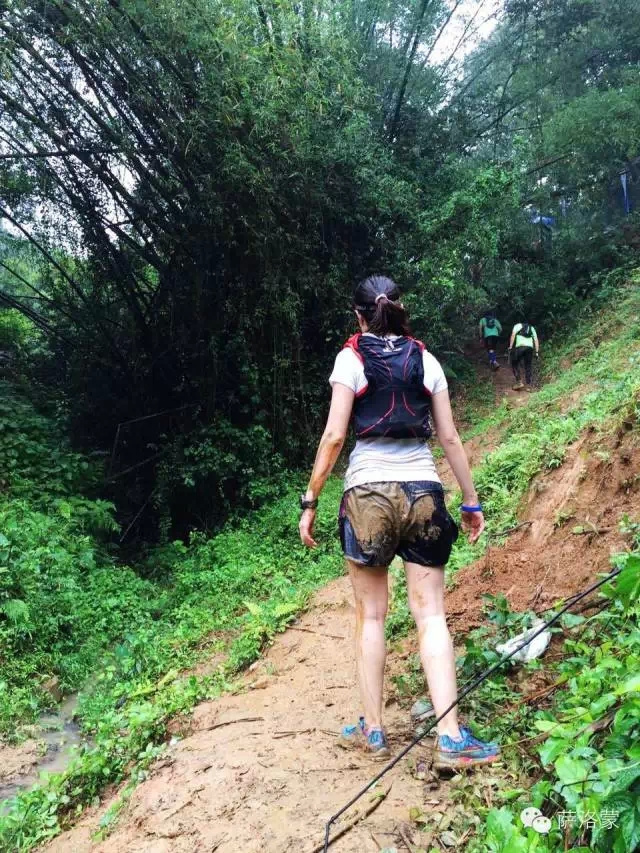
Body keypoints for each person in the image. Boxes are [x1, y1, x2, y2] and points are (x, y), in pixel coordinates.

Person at [298, 275, 500, 770]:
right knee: (430, 614)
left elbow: (333, 436)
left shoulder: (351, 359)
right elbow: (449, 438)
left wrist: (311, 499)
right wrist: (470, 501)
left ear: (358, 315)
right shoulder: (425, 360)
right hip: (424, 493)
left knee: (371, 617)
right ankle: (450, 737)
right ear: (399, 310)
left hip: (367, 494)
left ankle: (372, 730)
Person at [508, 321, 539, 391]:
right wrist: (537, 352)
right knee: (528, 365)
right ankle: (529, 385)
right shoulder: (532, 328)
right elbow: (536, 340)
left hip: (520, 347)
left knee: (514, 363)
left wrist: (510, 346)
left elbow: (513, 335)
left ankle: (519, 382)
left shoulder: (517, 326)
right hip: (529, 348)